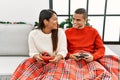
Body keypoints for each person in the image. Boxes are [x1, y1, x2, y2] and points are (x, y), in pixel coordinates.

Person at [10, 9, 68, 80]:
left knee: (56, 71)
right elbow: (33, 51)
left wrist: (58, 57)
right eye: (54, 19)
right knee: (26, 62)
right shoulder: (33, 34)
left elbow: (63, 51)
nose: (57, 22)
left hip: (55, 62)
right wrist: (36, 56)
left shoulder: (60, 33)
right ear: (45, 22)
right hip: (39, 62)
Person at [65, 8, 119, 80]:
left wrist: (93, 57)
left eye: (78, 20)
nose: (74, 22)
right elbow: (62, 49)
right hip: (73, 59)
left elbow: (101, 48)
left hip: (89, 59)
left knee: (103, 74)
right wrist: (70, 55)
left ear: (85, 20)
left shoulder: (93, 31)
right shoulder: (67, 32)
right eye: (73, 19)